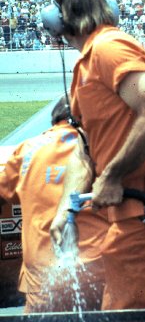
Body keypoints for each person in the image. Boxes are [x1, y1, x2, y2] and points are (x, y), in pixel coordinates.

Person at [47, 0, 145, 310]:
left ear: (61, 20)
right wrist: (62, 212)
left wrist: (111, 176)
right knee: (119, 304)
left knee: (127, 310)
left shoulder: (110, 48)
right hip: (128, 202)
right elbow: (84, 151)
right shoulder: (88, 62)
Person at [0, 96, 107, 313]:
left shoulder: (26, 149)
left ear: (54, 119)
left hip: (43, 279)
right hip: (99, 272)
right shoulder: (102, 145)